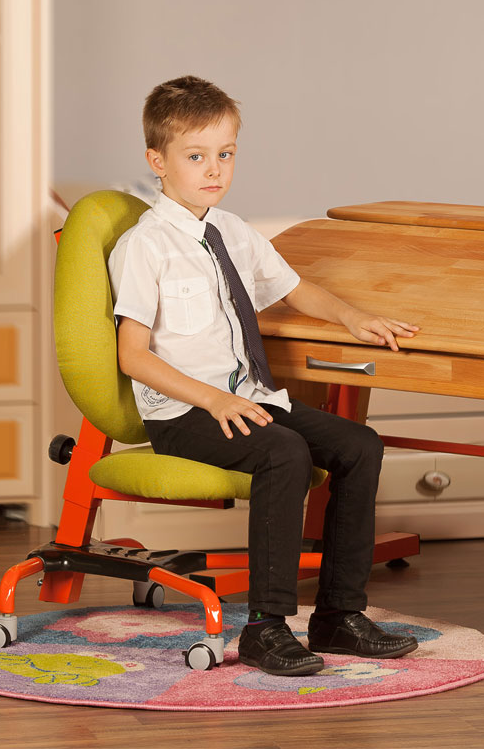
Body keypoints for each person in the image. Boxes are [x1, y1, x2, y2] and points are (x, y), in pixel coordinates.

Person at [108, 76, 420, 676]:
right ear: (158, 160)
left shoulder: (231, 230)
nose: (214, 169)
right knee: (284, 452)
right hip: (185, 412)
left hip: (247, 397)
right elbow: (133, 357)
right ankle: (265, 627)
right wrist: (213, 401)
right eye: (195, 156)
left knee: (360, 444)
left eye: (225, 154)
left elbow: (294, 287)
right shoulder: (146, 246)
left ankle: (338, 616)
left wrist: (353, 317)